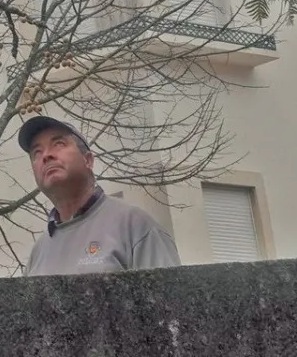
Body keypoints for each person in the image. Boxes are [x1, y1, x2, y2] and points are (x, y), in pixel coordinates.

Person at [19, 115, 180, 276]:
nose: (46, 155)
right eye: (37, 153)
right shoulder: (38, 252)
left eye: (59, 144)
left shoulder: (136, 226)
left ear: (88, 160)